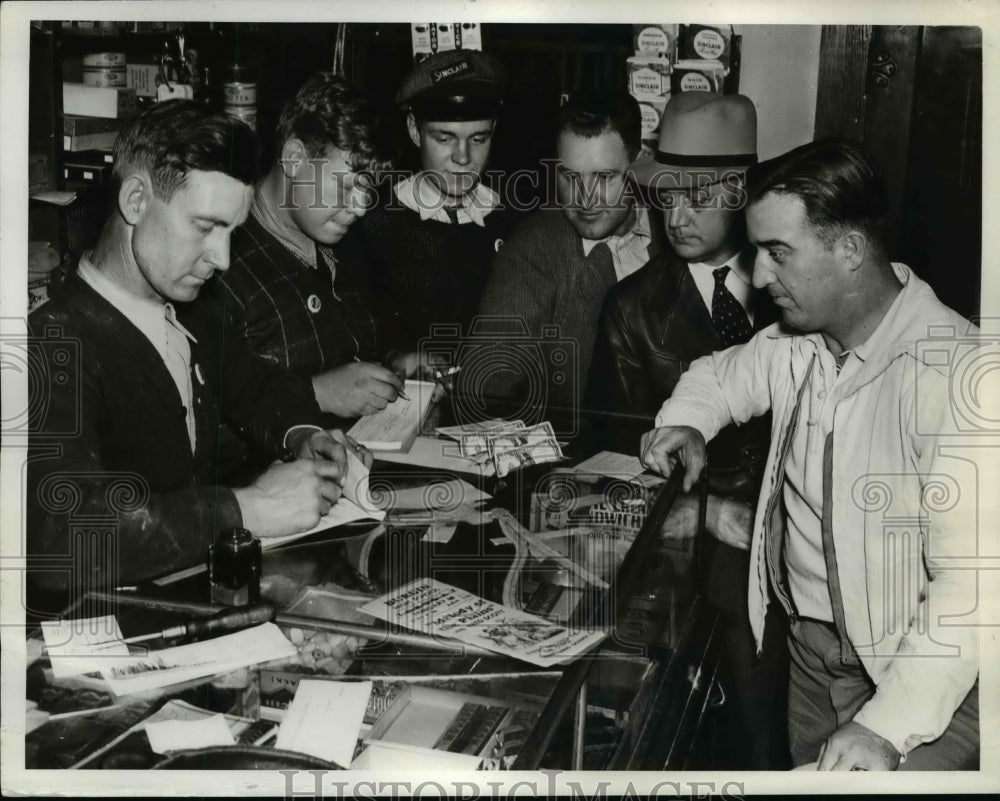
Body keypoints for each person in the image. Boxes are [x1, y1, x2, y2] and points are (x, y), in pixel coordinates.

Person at [641, 139, 979, 770]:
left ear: (849, 250)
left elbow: (974, 587)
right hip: (811, 654)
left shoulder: (958, 371)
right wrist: (687, 424)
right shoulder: (801, 339)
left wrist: (888, 724)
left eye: (777, 253)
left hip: (927, 674)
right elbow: (717, 376)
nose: (760, 276)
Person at [26, 100, 371, 617]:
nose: (223, 258)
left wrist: (304, 434)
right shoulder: (52, 343)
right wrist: (250, 508)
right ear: (137, 200)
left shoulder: (192, 309)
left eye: (231, 231)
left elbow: (258, 386)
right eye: (206, 226)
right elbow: (65, 534)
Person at [586, 92, 785, 769]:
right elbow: (610, 463)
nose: (678, 215)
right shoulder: (631, 308)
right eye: (666, 195)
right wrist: (704, 513)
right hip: (690, 564)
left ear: (744, 192)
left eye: (699, 195)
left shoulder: (791, 289)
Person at [205, 72, 408, 423]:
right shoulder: (217, 264)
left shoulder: (343, 245)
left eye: (368, 190)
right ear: (295, 158)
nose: (360, 207)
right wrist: (317, 393)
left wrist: (395, 364)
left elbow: (357, 345)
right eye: (346, 187)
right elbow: (202, 416)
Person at [469, 90, 661, 426]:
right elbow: (488, 387)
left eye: (604, 177)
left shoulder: (673, 236)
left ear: (639, 162)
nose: (585, 199)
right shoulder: (535, 246)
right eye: (570, 177)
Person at [335, 49, 522, 363]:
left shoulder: (513, 222)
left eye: (478, 139)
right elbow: (352, 328)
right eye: (445, 138)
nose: (463, 157)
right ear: (413, 130)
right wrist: (393, 356)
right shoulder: (371, 221)